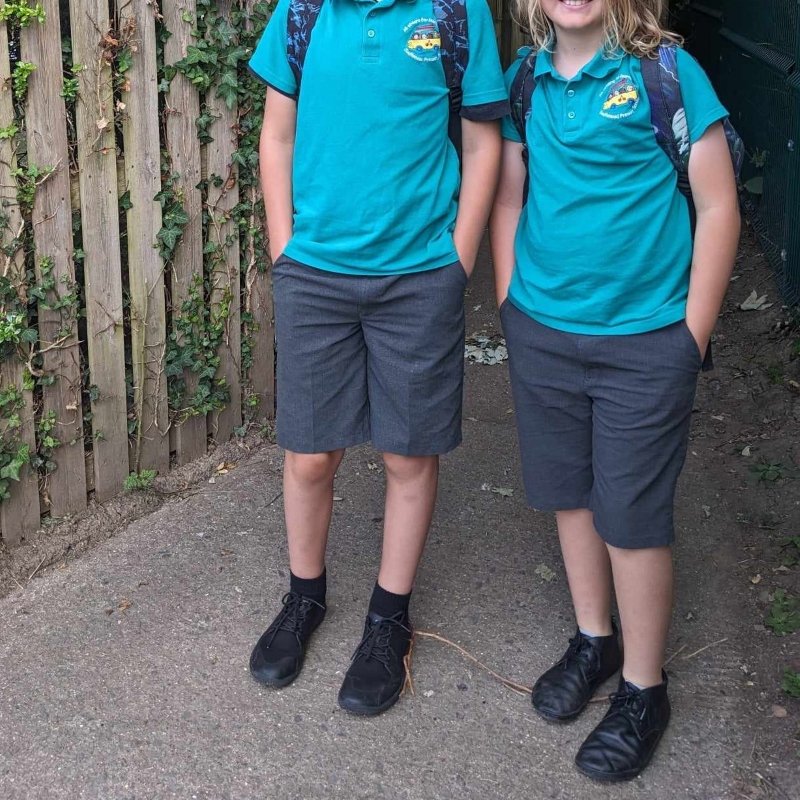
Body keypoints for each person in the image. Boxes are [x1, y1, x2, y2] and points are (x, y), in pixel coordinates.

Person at [489, 0, 740, 781]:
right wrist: (510, 306)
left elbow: (718, 204)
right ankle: (594, 638)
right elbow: (506, 197)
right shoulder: (524, 79)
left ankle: (643, 688)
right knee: (570, 495)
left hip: (645, 342)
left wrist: (690, 336)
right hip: (545, 335)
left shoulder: (666, 74)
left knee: (630, 517)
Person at [247, 0, 509, 716]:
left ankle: (389, 617)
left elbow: (483, 143)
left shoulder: (456, 14)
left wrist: (456, 263)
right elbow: (277, 136)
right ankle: (305, 598)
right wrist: (284, 252)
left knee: (407, 455)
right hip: (315, 274)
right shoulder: (302, 14)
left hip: (419, 276)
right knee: (309, 454)